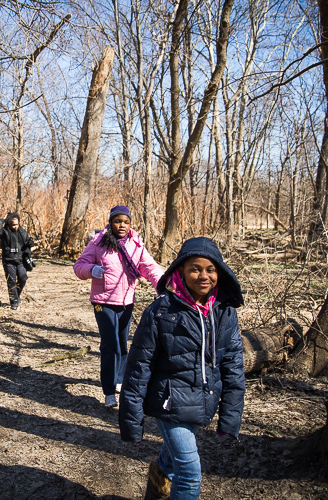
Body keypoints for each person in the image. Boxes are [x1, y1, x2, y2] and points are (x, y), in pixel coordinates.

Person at [118, 236, 245, 500]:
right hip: (169, 403)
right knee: (189, 472)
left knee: (173, 460)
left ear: (219, 273)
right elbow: (138, 366)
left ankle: (157, 478)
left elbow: (233, 365)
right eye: (195, 268)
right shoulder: (160, 311)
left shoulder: (225, 312)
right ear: (181, 271)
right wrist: (132, 421)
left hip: (203, 400)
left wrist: (230, 417)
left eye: (210, 269)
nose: (203, 275)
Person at [73, 205, 163, 408]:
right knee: (110, 344)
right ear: (111, 222)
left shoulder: (136, 243)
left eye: (126, 222)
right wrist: (91, 269)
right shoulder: (98, 243)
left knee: (122, 344)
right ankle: (108, 391)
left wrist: (162, 286)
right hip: (102, 301)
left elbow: (149, 267)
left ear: (130, 224)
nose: (122, 225)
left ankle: (120, 380)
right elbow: (78, 267)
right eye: (117, 221)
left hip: (126, 301)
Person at [0, 212, 34, 310]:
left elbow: (27, 243)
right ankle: (14, 302)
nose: (15, 227)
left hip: (21, 261)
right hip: (8, 261)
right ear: (9, 224)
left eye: (17, 224)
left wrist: (30, 243)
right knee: (11, 281)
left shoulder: (23, 232)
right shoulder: (4, 232)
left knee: (23, 278)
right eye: (13, 225)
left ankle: (16, 295)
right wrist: (2, 219)